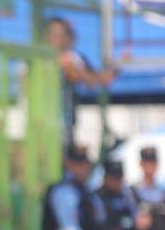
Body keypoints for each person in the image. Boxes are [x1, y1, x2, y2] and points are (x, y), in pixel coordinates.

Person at [45, 17, 114, 146]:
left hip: (63, 121)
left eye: (63, 35)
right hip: (43, 122)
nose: (59, 39)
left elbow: (89, 78)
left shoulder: (71, 57)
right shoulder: (38, 59)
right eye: (55, 35)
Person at [41, 144, 101, 230]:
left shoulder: (87, 190)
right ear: (68, 164)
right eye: (78, 164)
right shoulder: (63, 191)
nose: (84, 168)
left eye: (86, 164)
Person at [95, 160, 137, 230]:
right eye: (113, 178)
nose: (116, 182)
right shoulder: (96, 197)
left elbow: (135, 217)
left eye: (119, 178)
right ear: (105, 178)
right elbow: (98, 223)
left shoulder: (129, 195)